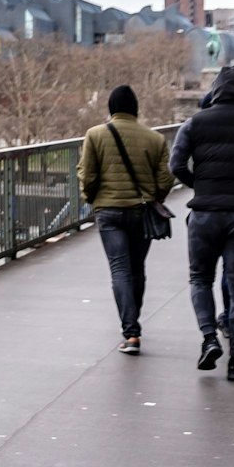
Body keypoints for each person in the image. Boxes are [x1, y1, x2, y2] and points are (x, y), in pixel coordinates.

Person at [169, 66, 234, 381]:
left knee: (200, 279)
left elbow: (176, 164)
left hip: (204, 214)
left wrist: (199, 185)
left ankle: (209, 337)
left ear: (215, 90)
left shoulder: (195, 122)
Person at [79, 85, 173, 355]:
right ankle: (132, 323)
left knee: (119, 269)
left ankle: (131, 332)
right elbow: (166, 179)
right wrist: (154, 196)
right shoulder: (154, 139)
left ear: (110, 108)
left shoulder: (95, 135)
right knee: (136, 268)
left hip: (109, 211)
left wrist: (92, 198)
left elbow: (87, 175)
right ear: (136, 109)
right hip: (141, 211)